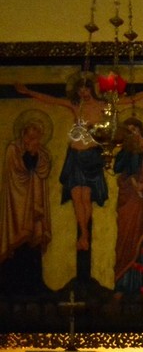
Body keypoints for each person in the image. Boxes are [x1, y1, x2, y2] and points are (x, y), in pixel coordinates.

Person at [16, 76, 109, 253]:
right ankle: (84, 235)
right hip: (74, 155)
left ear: (92, 89)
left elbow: (125, 101)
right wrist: (28, 92)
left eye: (86, 89)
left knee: (86, 197)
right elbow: (52, 100)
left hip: (90, 156)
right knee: (76, 196)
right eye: (80, 90)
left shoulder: (103, 105)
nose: (83, 92)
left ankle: (84, 236)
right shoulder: (76, 106)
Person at [112, 117, 143, 295]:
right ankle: (122, 283)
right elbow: (118, 169)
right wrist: (132, 181)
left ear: (140, 129)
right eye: (128, 131)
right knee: (125, 236)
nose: (132, 133)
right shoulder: (126, 149)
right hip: (129, 197)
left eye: (134, 129)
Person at [2, 115, 52, 273]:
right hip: (17, 202)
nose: (33, 140)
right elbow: (18, 169)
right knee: (18, 241)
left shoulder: (40, 152)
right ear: (23, 134)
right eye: (30, 136)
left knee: (33, 241)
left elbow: (43, 169)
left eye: (36, 137)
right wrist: (29, 154)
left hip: (34, 205)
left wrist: (35, 154)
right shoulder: (13, 149)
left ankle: (34, 281)